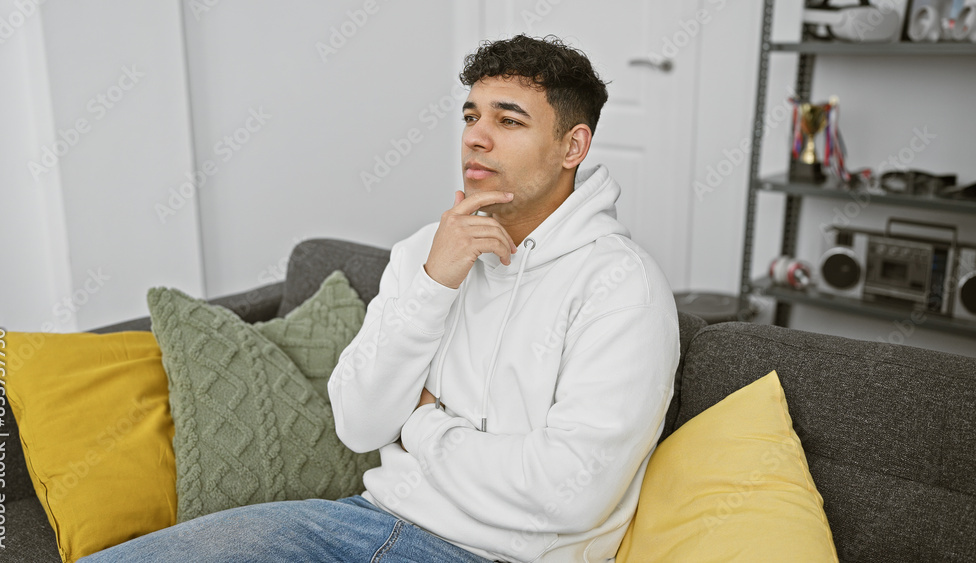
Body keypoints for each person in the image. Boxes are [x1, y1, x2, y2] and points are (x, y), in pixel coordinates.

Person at [82, 34, 679, 563]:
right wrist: (433, 283)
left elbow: (569, 493)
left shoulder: (621, 286)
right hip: (365, 523)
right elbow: (360, 424)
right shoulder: (428, 250)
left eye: (510, 121)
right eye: (471, 116)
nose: (476, 137)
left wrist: (420, 423)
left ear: (573, 146)